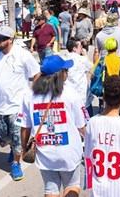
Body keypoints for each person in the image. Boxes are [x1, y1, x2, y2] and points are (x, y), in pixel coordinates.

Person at [18, 55, 88, 197]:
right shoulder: (71, 94)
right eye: (65, 70)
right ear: (59, 74)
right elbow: (83, 126)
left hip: (45, 153)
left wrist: (23, 148)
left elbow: (24, 126)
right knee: (72, 186)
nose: (67, 72)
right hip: (69, 152)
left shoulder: (29, 95)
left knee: (50, 190)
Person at [0, 26, 40, 181]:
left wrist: (31, 95)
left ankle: (16, 163)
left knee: (18, 137)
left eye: (2, 38)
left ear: (11, 39)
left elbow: (36, 73)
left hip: (18, 105)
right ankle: (12, 147)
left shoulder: (22, 55)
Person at [62, 37, 93, 106]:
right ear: (74, 48)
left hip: (68, 94)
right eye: (80, 46)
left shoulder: (63, 58)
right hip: (81, 94)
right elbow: (92, 68)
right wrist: (85, 55)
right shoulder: (82, 59)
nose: (82, 48)